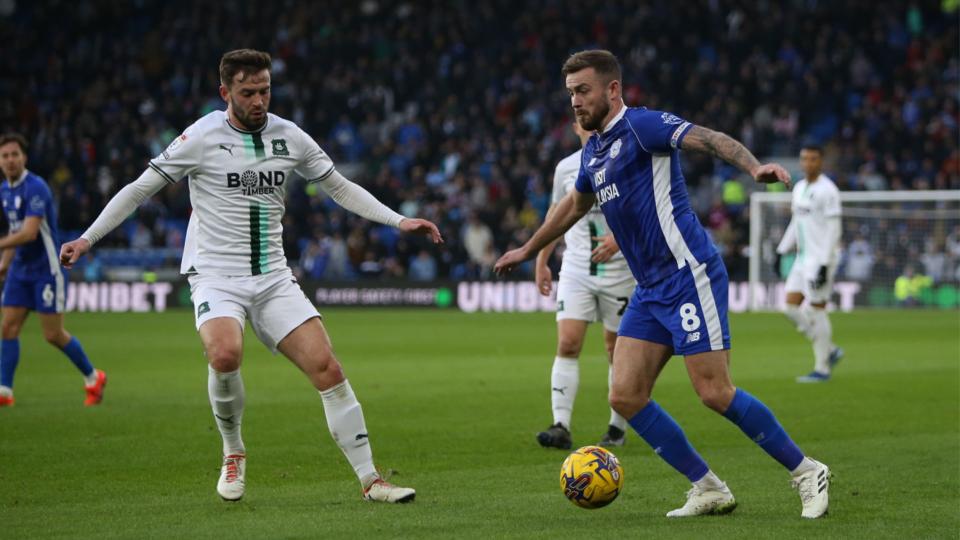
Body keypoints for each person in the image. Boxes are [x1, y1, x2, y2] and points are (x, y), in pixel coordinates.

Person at [60, 49, 443, 503]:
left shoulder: (290, 136)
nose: (259, 100)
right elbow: (140, 189)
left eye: (265, 90)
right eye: (248, 92)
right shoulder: (200, 137)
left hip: (273, 277)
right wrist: (88, 238)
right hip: (216, 274)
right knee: (225, 354)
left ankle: (371, 481)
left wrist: (399, 220)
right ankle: (233, 451)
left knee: (328, 368)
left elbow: (339, 187)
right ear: (225, 92)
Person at [494, 49, 830, 519]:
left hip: (688, 274)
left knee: (714, 391)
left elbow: (709, 139)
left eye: (583, 90)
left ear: (613, 89)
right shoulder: (593, 151)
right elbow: (572, 207)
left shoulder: (643, 126)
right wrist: (530, 249)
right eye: (570, 93)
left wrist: (753, 168)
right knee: (625, 395)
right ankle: (708, 487)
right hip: (650, 289)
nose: (575, 101)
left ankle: (806, 470)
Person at [534, 121, 634, 450]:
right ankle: (560, 424)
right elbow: (556, 216)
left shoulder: (624, 160)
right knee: (568, 343)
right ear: (576, 127)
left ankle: (617, 427)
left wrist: (619, 240)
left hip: (621, 270)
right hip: (577, 268)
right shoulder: (565, 168)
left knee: (615, 349)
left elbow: (642, 210)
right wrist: (542, 259)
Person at [0, 133, 106, 407]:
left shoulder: (36, 188)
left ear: (24, 157)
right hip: (20, 270)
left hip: (47, 269)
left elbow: (29, 233)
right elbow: (15, 232)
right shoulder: (4, 191)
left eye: (14, 154)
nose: (10, 160)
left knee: (52, 335)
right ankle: (5, 391)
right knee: (8, 328)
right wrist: (4, 265)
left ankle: (93, 377)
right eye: (5, 156)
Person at [774, 145, 844, 383]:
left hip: (821, 259)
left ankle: (822, 369)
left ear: (821, 162)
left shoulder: (828, 191)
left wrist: (824, 264)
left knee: (816, 310)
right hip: (802, 259)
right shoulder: (799, 188)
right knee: (789, 308)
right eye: (804, 159)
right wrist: (781, 250)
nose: (808, 163)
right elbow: (797, 222)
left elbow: (834, 230)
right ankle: (829, 348)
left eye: (813, 159)